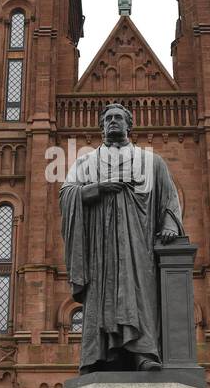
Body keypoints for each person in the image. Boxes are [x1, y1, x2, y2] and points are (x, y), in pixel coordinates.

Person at [60, 102, 184, 371]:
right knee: (101, 297)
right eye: (108, 119)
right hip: (99, 246)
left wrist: (170, 226)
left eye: (118, 118)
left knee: (137, 293)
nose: (113, 122)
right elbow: (67, 194)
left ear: (130, 125)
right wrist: (98, 188)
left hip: (137, 246)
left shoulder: (151, 161)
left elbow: (169, 198)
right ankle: (101, 357)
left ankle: (144, 354)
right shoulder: (86, 162)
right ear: (101, 127)